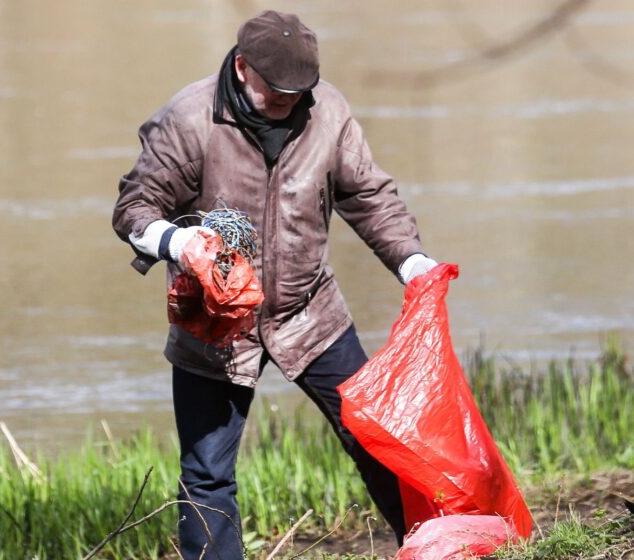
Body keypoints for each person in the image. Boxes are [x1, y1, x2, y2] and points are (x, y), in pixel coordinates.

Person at [112, 10, 437, 559]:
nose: (291, 102)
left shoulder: (327, 111)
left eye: (300, 91)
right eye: (278, 92)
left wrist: (412, 262)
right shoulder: (189, 119)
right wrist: (177, 243)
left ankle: (434, 547)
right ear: (242, 68)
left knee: (380, 441)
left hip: (311, 312)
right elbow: (134, 208)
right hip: (217, 326)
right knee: (207, 477)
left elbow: (368, 195)